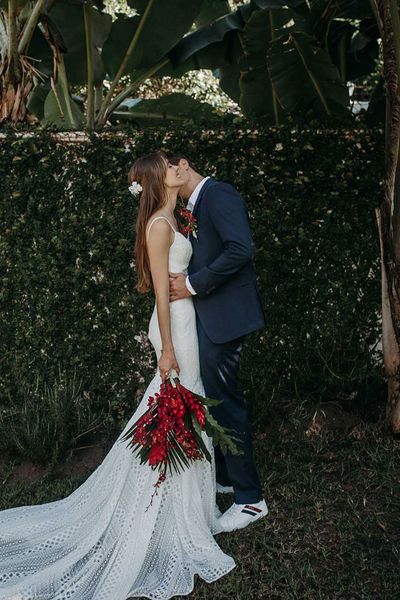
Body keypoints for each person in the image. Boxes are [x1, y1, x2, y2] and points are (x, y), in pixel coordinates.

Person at [0, 151, 236, 600]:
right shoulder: (160, 227)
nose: (176, 168)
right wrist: (167, 348)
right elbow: (163, 299)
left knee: (186, 406)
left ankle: (189, 510)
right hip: (176, 326)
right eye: (168, 165)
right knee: (177, 406)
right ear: (156, 179)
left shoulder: (175, 217)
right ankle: (164, 513)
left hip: (188, 321)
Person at [167, 153, 268, 532]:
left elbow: (241, 249)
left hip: (226, 316)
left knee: (227, 403)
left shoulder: (219, 194)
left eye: (168, 173)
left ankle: (251, 499)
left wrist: (192, 284)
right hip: (209, 318)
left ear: (183, 164)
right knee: (214, 397)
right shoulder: (190, 207)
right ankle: (226, 478)